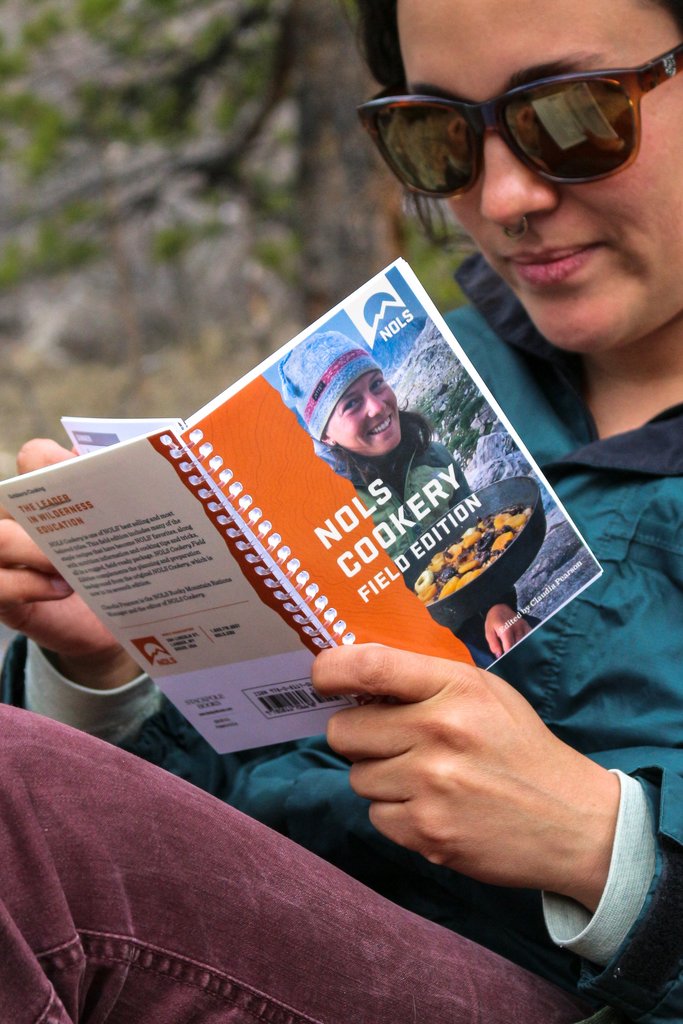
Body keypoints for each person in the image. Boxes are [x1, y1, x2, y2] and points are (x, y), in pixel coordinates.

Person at [1, 0, 682, 1020]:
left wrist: (605, 851)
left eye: (573, 115)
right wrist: (113, 673)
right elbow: (231, 798)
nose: (501, 197)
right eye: (436, 135)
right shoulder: (431, 373)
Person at [277, 328, 530, 659]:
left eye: (377, 384)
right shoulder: (331, 514)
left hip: (484, 631)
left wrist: (500, 605)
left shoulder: (436, 457)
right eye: (351, 403)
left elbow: (483, 535)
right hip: (422, 662)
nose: (377, 407)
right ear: (325, 436)